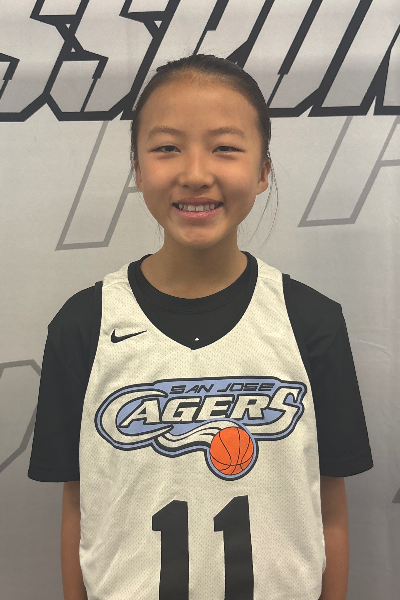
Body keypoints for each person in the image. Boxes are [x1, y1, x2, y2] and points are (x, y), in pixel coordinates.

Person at [28, 54, 373, 600]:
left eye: (225, 148)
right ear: (138, 169)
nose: (194, 173)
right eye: (167, 148)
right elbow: (80, 507)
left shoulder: (312, 321)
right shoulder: (83, 325)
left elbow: (329, 508)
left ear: (263, 171)